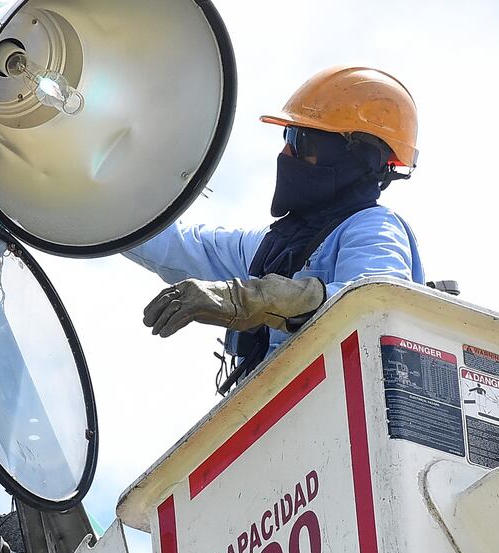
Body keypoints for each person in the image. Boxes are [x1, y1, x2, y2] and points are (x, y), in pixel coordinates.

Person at [125, 66, 424, 391]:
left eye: (302, 140)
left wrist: (247, 298)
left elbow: (371, 302)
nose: (285, 153)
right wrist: (87, 207)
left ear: (354, 157)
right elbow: (180, 245)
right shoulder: (274, 248)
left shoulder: (374, 228)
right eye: (287, 137)